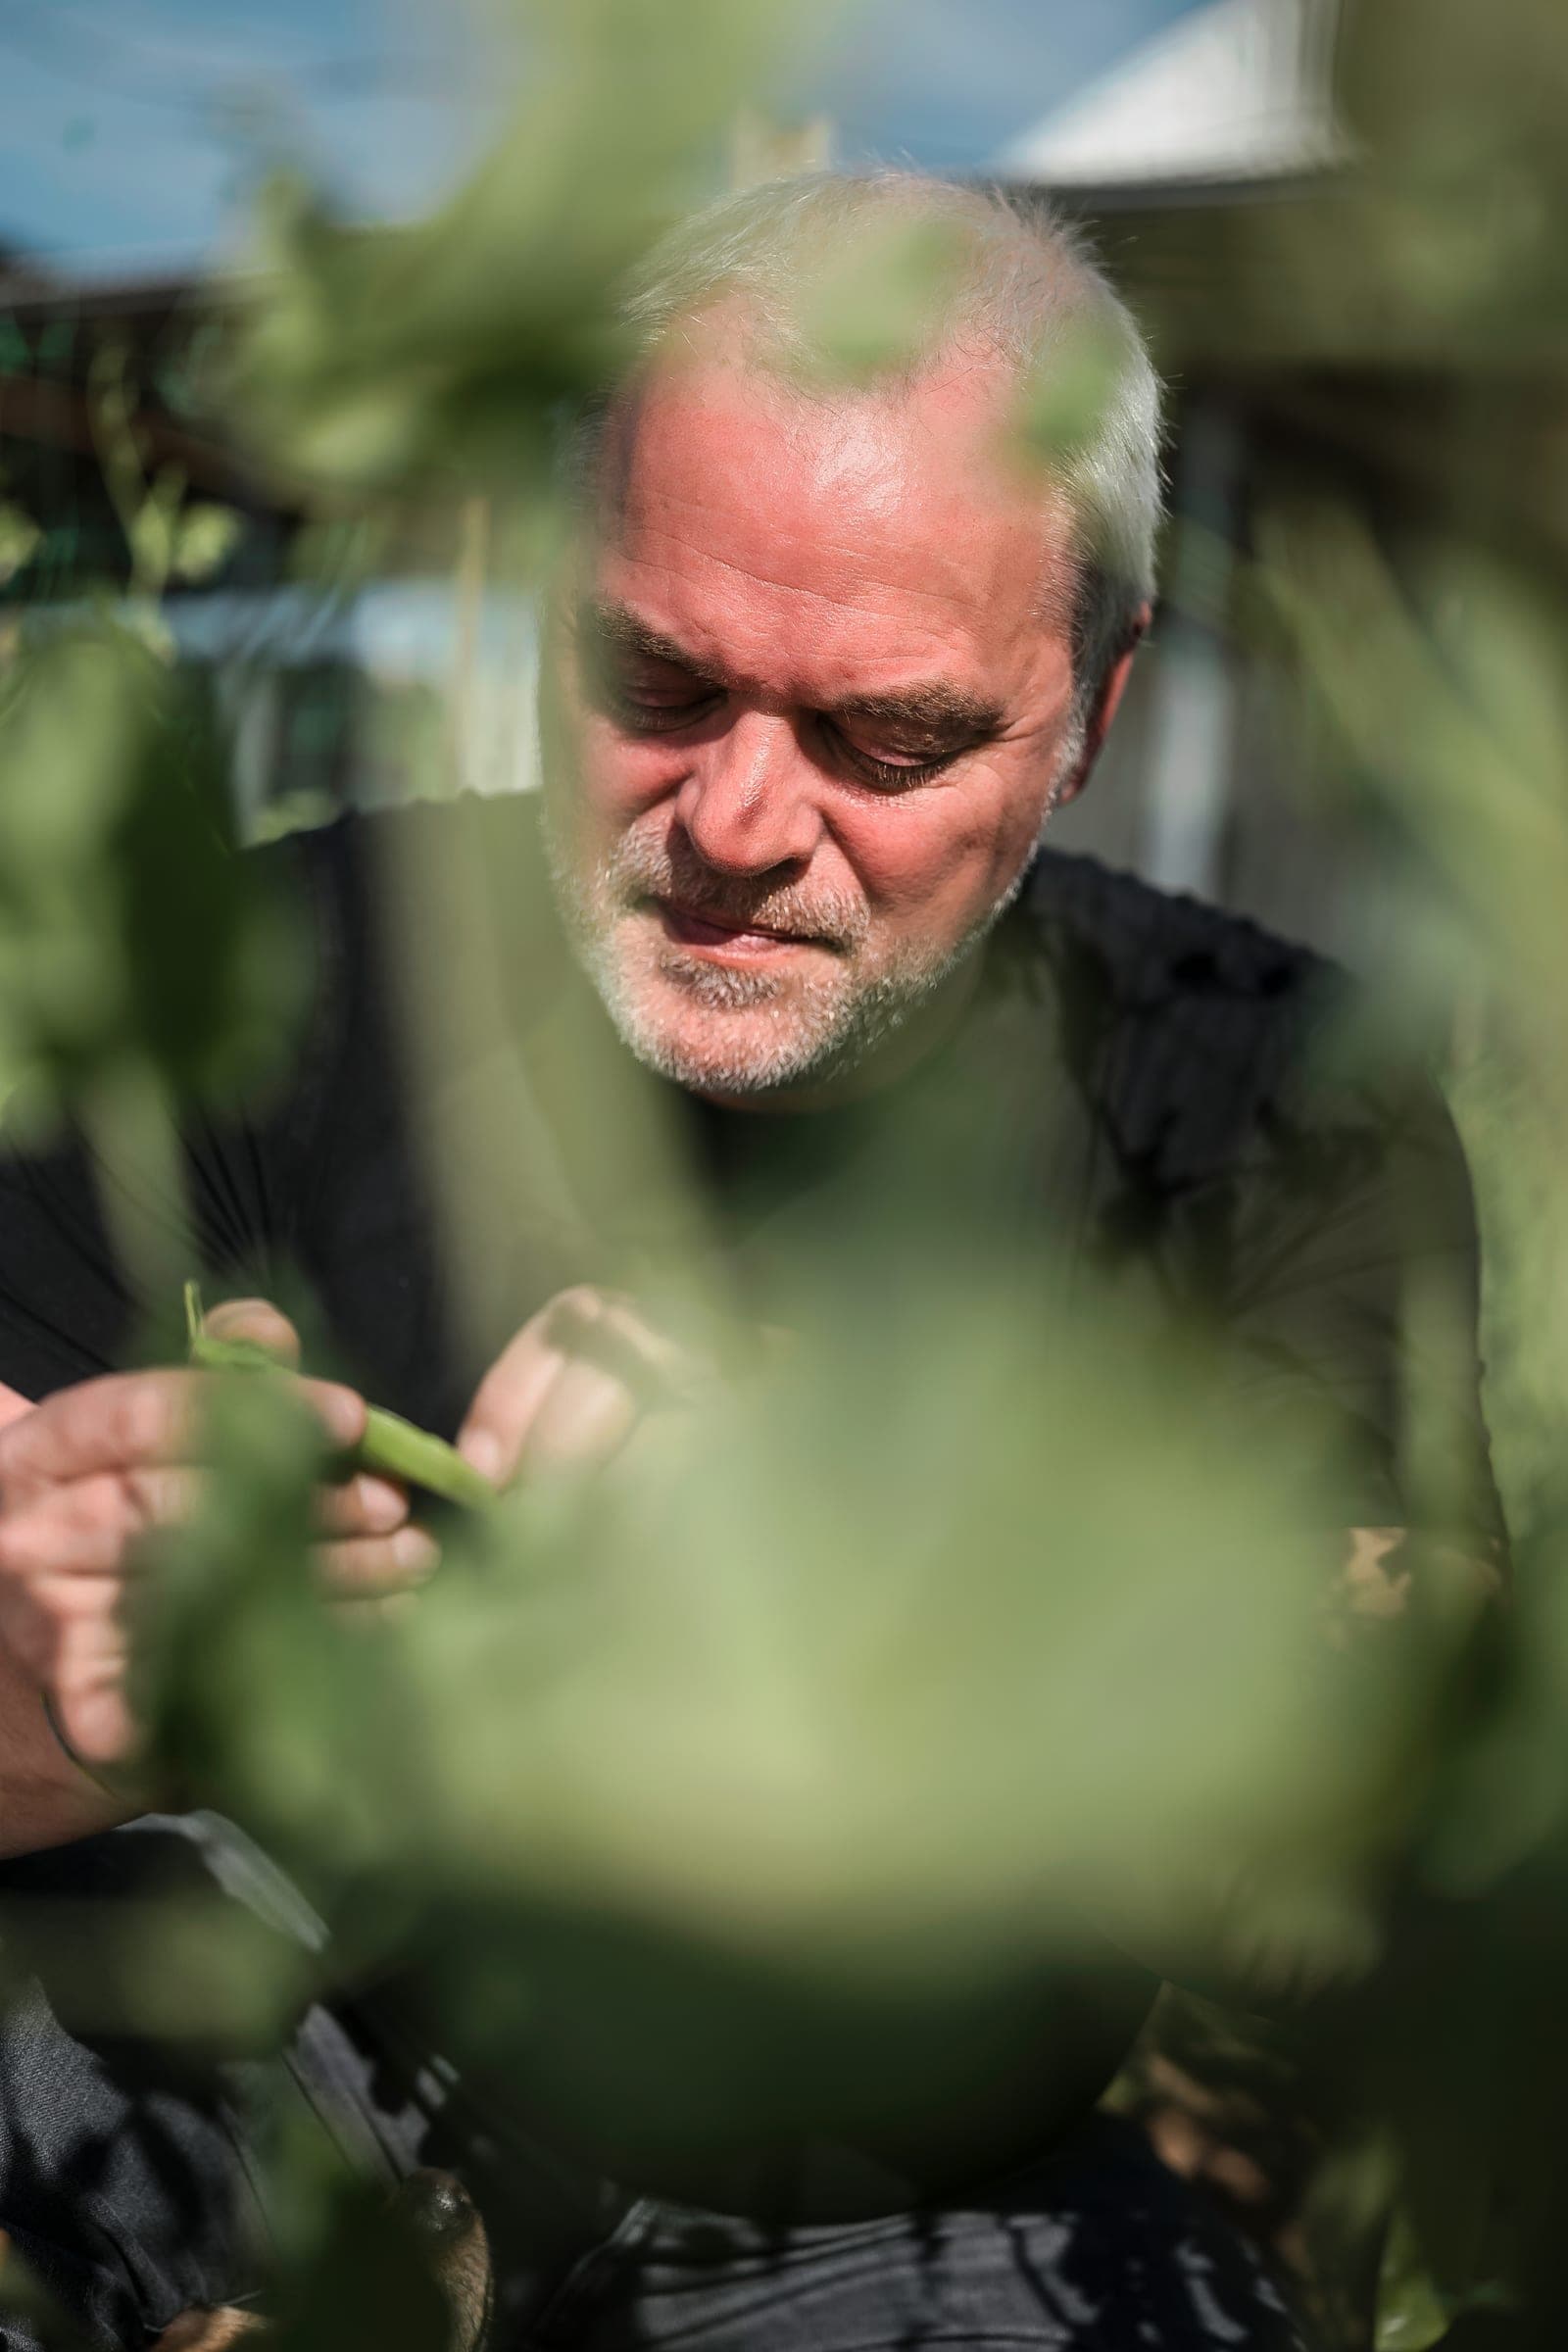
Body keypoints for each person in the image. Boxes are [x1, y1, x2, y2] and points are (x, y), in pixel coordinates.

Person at [0, 172, 1496, 2350]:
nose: (730, 819)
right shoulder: (244, 985)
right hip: (262, 2037)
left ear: (1087, 713)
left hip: (883, 2184)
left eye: (883, 736)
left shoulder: (1262, 1095)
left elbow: (1393, 1810)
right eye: (656, 680)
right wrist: (42, 1711)